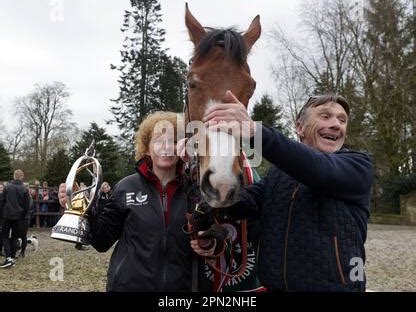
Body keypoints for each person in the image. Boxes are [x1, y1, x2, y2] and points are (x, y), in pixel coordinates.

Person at [203, 91, 374, 292]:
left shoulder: (359, 165)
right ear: (300, 128)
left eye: (342, 120)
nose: (337, 124)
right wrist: (204, 168)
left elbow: (318, 170)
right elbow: (241, 203)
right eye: (325, 116)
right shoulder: (278, 173)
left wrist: (255, 132)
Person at [58, 112, 216, 291]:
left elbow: (214, 237)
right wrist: (82, 208)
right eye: (158, 141)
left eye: (172, 141)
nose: (165, 147)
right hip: (129, 286)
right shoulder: (126, 187)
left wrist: (211, 243)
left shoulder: (196, 191)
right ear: (147, 149)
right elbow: (102, 241)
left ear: (181, 147)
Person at [0, 170, 31, 268]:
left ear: (14, 176)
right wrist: (24, 215)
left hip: (7, 215)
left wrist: (1, 214)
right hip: (19, 216)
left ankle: (8, 256)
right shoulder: (25, 189)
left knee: (5, 236)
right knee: (14, 236)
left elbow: (2, 201)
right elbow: (27, 205)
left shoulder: (7, 187)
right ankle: (12, 256)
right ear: (22, 177)